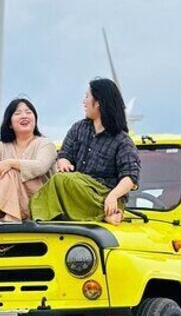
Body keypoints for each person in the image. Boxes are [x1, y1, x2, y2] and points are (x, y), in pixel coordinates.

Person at [30, 78, 141, 225]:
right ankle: (103, 215)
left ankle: (105, 212)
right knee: (63, 180)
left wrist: (113, 196)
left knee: (62, 180)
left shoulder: (122, 140)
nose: (84, 101)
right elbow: (64, 154)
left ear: (99, 101)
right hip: (79, 190)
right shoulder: (79, 129)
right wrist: (64, 163)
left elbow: (130, 177)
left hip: (105, 195)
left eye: (87, 96)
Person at [0, 98, 56, 223]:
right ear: (10, 123)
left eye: (28, 112)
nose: (24, 116)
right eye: (18, 113)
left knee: (10, 170)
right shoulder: (0, 146)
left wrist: (11, 163)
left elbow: (40, 166)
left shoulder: (45, 144)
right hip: (5, 204)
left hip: (36, 203)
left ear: (35, 119)